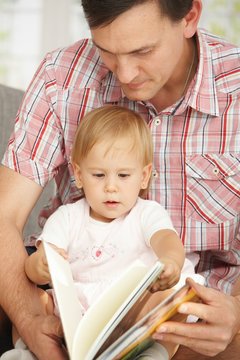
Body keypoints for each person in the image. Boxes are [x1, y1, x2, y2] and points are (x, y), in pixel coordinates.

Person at [0, 0, 240, 359]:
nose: (125, 74)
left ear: (189, 17)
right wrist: (32, 320)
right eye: (106, 51)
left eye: (143, 51)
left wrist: (236, 318)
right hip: (76, 304)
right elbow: (4, 215)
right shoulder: (61, 76)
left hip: (202, 314)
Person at [2, 105, 202, 360]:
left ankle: (156, 353)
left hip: (131, 308)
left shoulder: (146, 213)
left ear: (143, 177)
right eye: (98, 175)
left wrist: (170, 261)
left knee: (177, 300)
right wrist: (37, 265)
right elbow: (42, 259)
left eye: (123, 175)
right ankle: (24, 353)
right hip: (79, 308)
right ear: (79, 175)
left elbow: (166, 239)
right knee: (32, 303)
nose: (110, 187)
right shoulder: (68, 217)